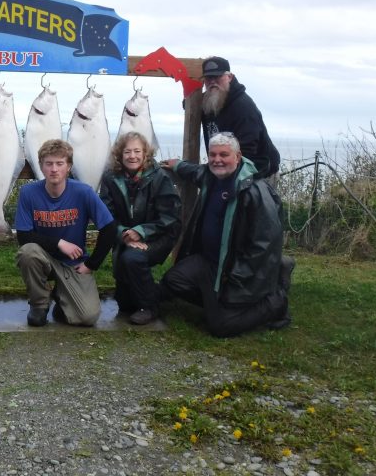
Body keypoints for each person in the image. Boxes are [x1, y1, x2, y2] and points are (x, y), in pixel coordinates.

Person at [160, 132, 294, 337]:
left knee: (220, 326)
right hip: (209, 263)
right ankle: (217, 301)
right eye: (212, 155)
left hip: (236, 269)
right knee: (173, 281)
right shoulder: (210, 176)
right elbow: (196, 171)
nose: (217, 160)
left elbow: (265, 244)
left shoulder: (255, 190)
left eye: (224, 154)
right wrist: (177, 165)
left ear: (238, 157)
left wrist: (237, 278)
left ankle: (276, 301)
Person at [14, 139, 116, 327]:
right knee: (28, 252)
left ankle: (62, 301)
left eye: (60, 163)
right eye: (49, 163)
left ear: (68, 166)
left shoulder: (83, 191)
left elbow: (109, 228)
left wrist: (92, 264)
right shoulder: (28, 192)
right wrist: (59, 243)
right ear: (42, 166)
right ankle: (39, 304)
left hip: (74, 264)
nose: (54, 169)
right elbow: (23, 236)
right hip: (43, 258)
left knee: (88, 317)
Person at [100, 132, 181, 325]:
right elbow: (105, 214)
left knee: (132, 258)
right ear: (119, 155)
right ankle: (159, 292)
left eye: (137, 151)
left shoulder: (160, 177)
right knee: (125, 304)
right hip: (126, 236)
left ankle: (149, 307)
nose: (132, 156)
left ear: (146, 154)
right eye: (127, 151)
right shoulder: (110, 178)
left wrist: (142, 232)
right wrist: (124, 234)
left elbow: (170, 216)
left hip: (158, 235)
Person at [200, 56, 280, 179]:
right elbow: (191, 106)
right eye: (208, 78)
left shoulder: (243, 107)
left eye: (217, 77)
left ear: (229, 77)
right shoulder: (210, 100)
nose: (212, 82)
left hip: (257, 172)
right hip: (227, 168)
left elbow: (247, 151)